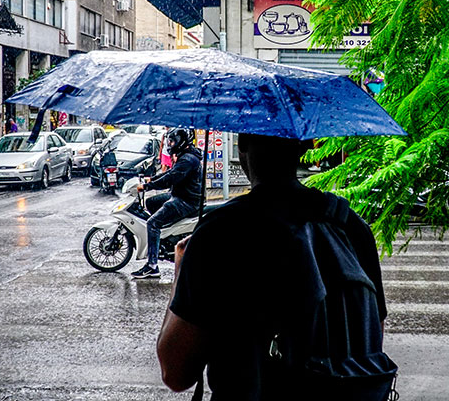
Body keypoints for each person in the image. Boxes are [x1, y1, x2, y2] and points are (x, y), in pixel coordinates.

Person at [156, 134, 389, 399]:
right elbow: (372, 338)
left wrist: (179, 273)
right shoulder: (351, 226)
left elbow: (176, 373)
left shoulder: (222, 232)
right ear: (305, 144)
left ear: (242, 143)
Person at [131, 128, 202, 279]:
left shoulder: (188, 160)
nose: (170, 144)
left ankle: (152, 266)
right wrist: (152, 179)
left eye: (172, 141)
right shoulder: (185, 156)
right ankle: (162, 237)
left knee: (152, 223)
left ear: (181, 141)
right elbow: (169, 174)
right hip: (180, 195)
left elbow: (170, 179)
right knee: (151, 202)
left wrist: (147, 186)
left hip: (187, 201)